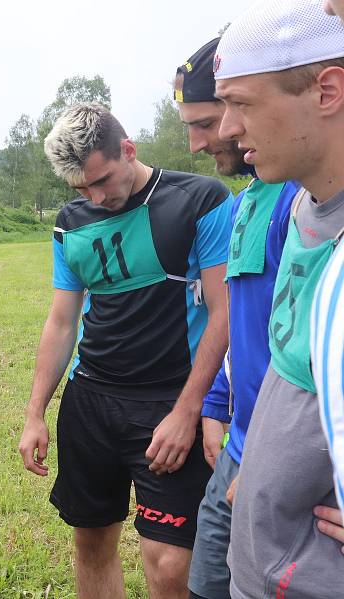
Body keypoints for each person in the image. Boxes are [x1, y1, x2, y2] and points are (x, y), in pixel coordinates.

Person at [19, 103, 232, 599]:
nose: (97, 197)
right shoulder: (71, 221)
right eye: (82, 189)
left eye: (103, 180)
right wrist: (35, 413)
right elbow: (62, 320)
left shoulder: (199, 198)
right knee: (91, 544)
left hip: (168, 405)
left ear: (128, 150)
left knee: (170, 564)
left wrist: (189, 410)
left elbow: (224, 313)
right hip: (91, 401)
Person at [213, 1, 344, 596]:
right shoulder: (299, 209)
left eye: (241, 103)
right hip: (265, 570)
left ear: (327, 91)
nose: (226, 130)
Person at [173, 38, 298, 599]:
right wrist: (217, 403)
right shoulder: (248, 199)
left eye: (209, 120)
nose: (201, 142)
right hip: (237, 451)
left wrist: (277, 464)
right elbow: (250, 321)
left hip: (281, 464)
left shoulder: (304, 202)